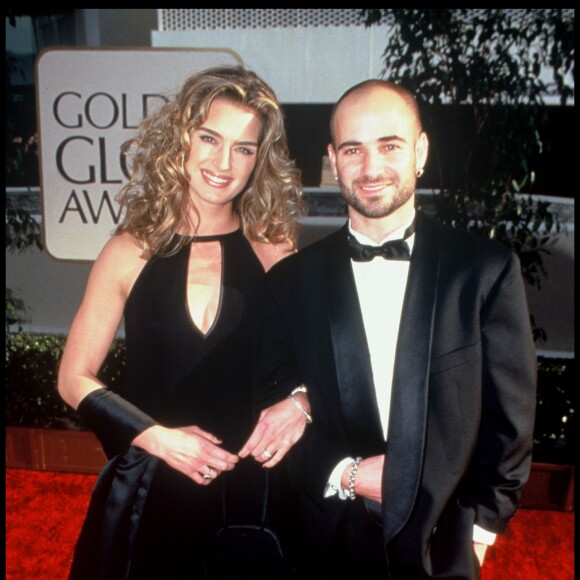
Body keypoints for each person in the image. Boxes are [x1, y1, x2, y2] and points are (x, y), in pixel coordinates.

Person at [255, 79, 537, 579]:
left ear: (420, 151)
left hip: (443, 546)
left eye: (390, 145)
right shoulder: (291, 283)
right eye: (353, 149)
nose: (371, 168)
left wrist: (479, 533)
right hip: (321, 545)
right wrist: (345, 474)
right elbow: (268, 412)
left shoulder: (484, 271)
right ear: (332, 159)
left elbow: (508, 422)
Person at [57, 65, 310, 579]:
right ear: (181, 141)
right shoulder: (128, 251)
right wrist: (158, 437)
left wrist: (302, 402)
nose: (224, 162)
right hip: (152, 487)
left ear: (259, 159)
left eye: (244, 147)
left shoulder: (276, 252)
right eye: (210, 138)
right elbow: (72, 378)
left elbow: (318, 365)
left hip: (251, 495)